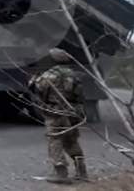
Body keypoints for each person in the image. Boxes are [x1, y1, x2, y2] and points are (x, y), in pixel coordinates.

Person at [29, 48, 88, 184]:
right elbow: (80, 96)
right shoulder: (75, 75)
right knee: (71, 141)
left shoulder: (49, 75)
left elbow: (38, 91)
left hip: (55, 113)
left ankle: (61, 173)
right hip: (72, 112)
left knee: (55, 140)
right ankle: (82, 171)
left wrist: (33, 80)